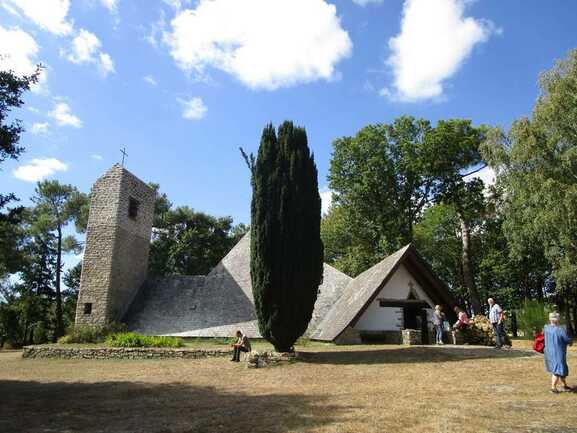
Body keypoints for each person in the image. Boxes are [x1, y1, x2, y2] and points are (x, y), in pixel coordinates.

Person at [544, 312, 573, 393]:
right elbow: (567, 339)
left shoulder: (546, 328)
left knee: (560, 368)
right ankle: (553, 388)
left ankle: (564, 385)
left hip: (549, 352)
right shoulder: (560, 329)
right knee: (557, 370)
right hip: (558, 352)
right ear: (557, 319)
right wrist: (570, 341)